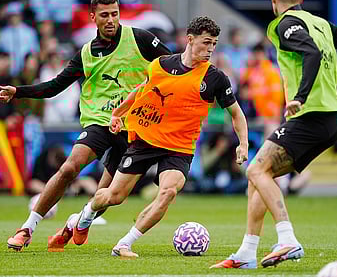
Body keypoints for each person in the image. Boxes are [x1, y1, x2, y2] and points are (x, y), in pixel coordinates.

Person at [211, 0, 337, 270]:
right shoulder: (319, 23)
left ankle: (287, 238)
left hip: (311, 114)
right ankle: (247, 252)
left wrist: (300, 96)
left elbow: (309, 54)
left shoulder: (285, 25)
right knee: (260, 176)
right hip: (330, 119)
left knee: (256, 170)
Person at [0, 0, 171, 251]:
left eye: (115, 13)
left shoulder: (141, 39)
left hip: (134, 128)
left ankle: (76, 223)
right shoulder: (86, 53)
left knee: (109, 197)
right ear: (93, 18)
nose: (111, 19)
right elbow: (56, 85)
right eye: (104, 15)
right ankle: (27, 229)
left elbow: (172, 67)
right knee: (69, 168)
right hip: (100, 121)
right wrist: (19, 91)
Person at [65, 16, 248, 258]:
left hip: (179, 148)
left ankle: (124, 244)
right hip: (145, 141)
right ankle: (86, 215)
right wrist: (118, 113)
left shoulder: (215, 78)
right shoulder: (160, 65)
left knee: (168, 192)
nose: (210, 49)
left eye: (214, 44)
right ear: (190, 40)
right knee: (113, 196)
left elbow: (236, 113)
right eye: (206, 43)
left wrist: (243, 144)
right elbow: (140, 91)